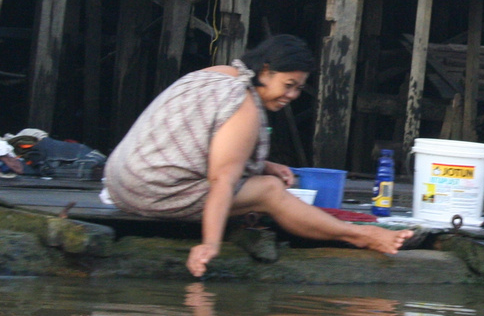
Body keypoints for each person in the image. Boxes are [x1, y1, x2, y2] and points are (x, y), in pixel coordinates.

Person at [105, 34, 412, 276]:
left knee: (261, 182)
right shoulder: (245, 107)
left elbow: (203, 142)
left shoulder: (221, 73)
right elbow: (222, 180)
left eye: (298, 88)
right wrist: (209, 243)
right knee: (269, 191)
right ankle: (359, 236)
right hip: (149, 192)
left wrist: (263, 164)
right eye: (288, 85)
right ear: (265, 71)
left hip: (119, 182)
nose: (292, 96)